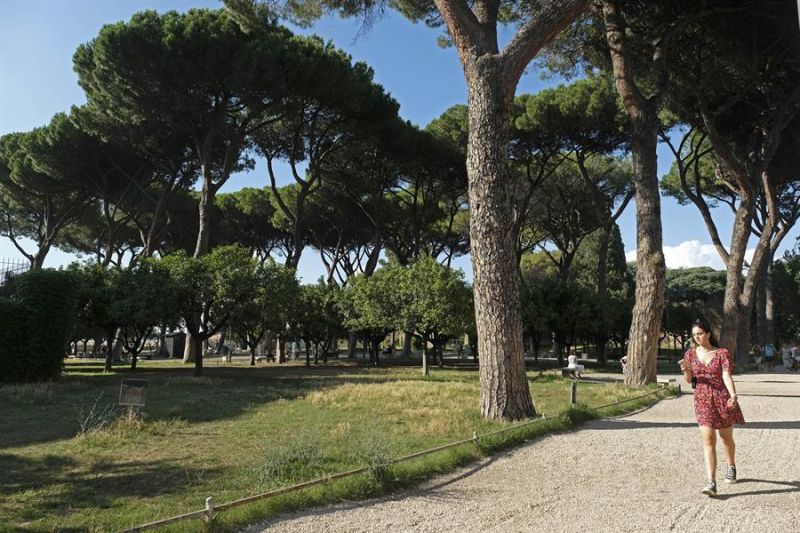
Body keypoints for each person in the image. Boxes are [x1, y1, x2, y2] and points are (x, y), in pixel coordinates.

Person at [678, 318, 745, 497]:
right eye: (694, 335)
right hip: (702, 399)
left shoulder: (722, 353)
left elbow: (726, 376)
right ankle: (711, 482)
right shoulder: (690, 355)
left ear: (708, 333)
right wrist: (686, 369)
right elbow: (688, 380)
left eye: (699, 333)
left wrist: (733, 395)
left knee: (725, 438)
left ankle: (731, 465)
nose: (697, 337)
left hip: (722, 399)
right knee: (708, 440)